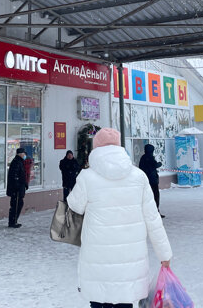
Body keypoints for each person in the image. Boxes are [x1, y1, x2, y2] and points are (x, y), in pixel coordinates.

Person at [67, 127, 172, 308]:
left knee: (100, 300)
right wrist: (164, 253)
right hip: (130, 258)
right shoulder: (138, 176)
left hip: (98, 256)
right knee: (125, 299)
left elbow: (74, 205)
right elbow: (153, 219)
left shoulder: (87, 177)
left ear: (96, 149)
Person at [138, 144, 164, 217]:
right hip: (152, 180)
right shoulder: (150, 157)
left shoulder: (143, 158)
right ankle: (155, 211)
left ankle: (150, 211)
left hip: (145, 180)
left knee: (147, 196)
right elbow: (155, 165)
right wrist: (160, 163)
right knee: (155, 196)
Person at [6, 147, 29, 228]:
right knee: (16, 205)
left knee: (18, 204)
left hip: (18, 188)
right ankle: (12, 222)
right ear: (21, 154)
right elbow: (14, 176)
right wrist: (18, 186)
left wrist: (25, 184)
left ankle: (14, 221)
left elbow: (21, 175)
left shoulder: (19, 162)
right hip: (16, 190)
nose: (25, 155)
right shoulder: (16, 162)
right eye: (24, 154)